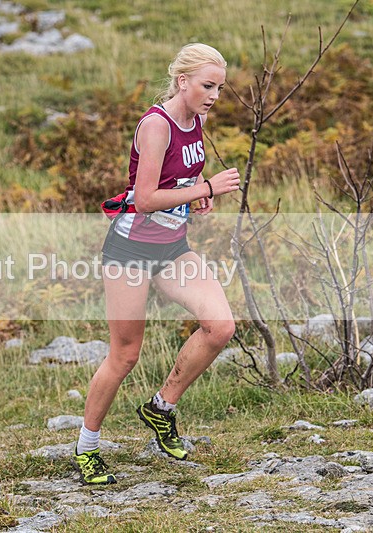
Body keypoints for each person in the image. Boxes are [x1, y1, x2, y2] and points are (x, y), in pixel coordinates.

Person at [72, 43, 240, 484]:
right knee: (125, 354)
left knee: (220, 326)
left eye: (219, 88)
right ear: (182, 81)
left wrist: (193, 195)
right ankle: (87, 447)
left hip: (172, 248)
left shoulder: (197, 120)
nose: (214, 97)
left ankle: (160, 407)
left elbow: (178, 181)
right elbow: (144, 199)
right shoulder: (156, 125)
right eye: (207, 86)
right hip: (129, 252)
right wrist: (206, 190)